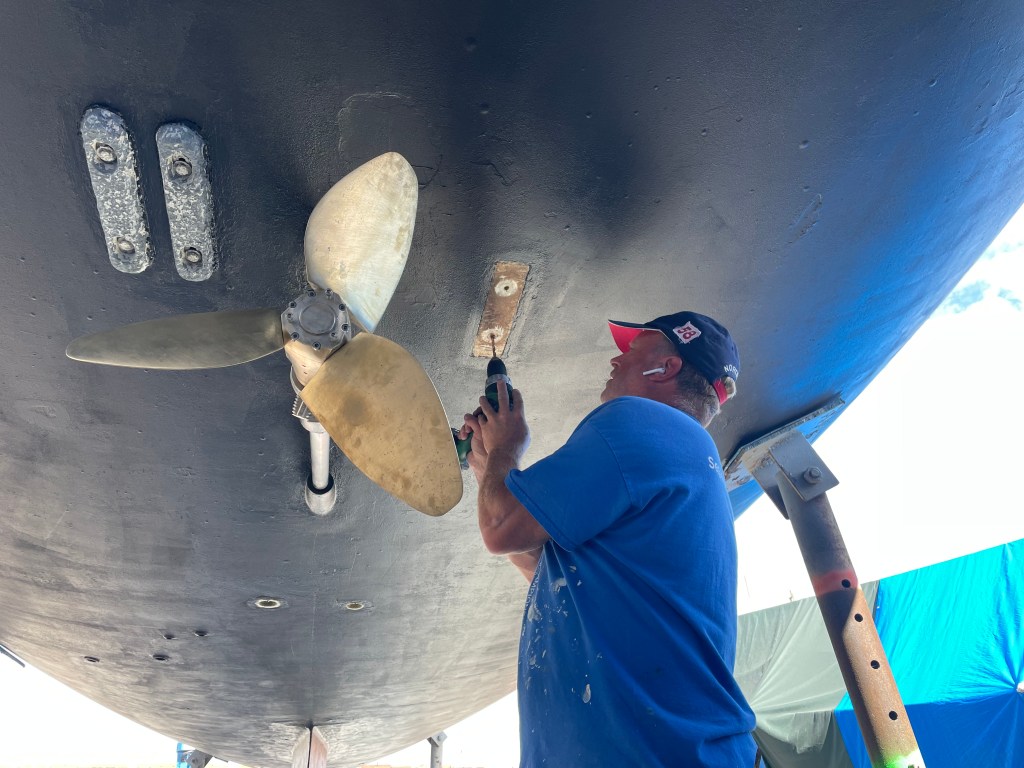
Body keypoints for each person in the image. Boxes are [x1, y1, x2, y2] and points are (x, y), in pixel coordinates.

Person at [459, 311, 757, 767]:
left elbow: (500, 529)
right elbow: (554, 577)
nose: (616, 360)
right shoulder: (689, 459)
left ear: (666, 368)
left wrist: (506, 448)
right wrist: (490, 472)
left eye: (632, 351)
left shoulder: (641, 421)